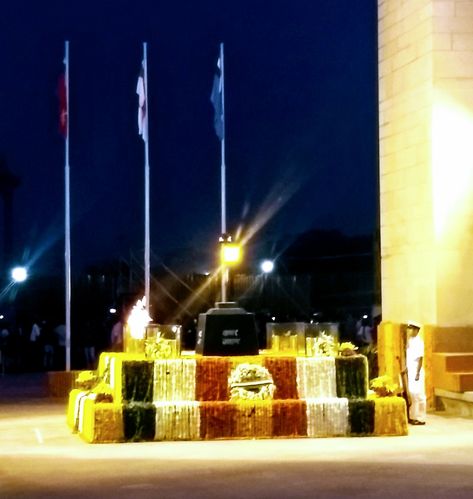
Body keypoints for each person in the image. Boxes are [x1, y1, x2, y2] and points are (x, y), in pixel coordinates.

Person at [404, 322, 426, 425]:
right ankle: (413, 417)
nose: (410, 330)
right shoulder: (410, 341)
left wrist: (417, 373)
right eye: (409, 328)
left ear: (417, 330)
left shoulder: (419, 342)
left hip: (416, 369)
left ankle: (420, 418)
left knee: (418, 394)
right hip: (410, 369)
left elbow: (420, 358)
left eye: (412, 329)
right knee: (412, 394)